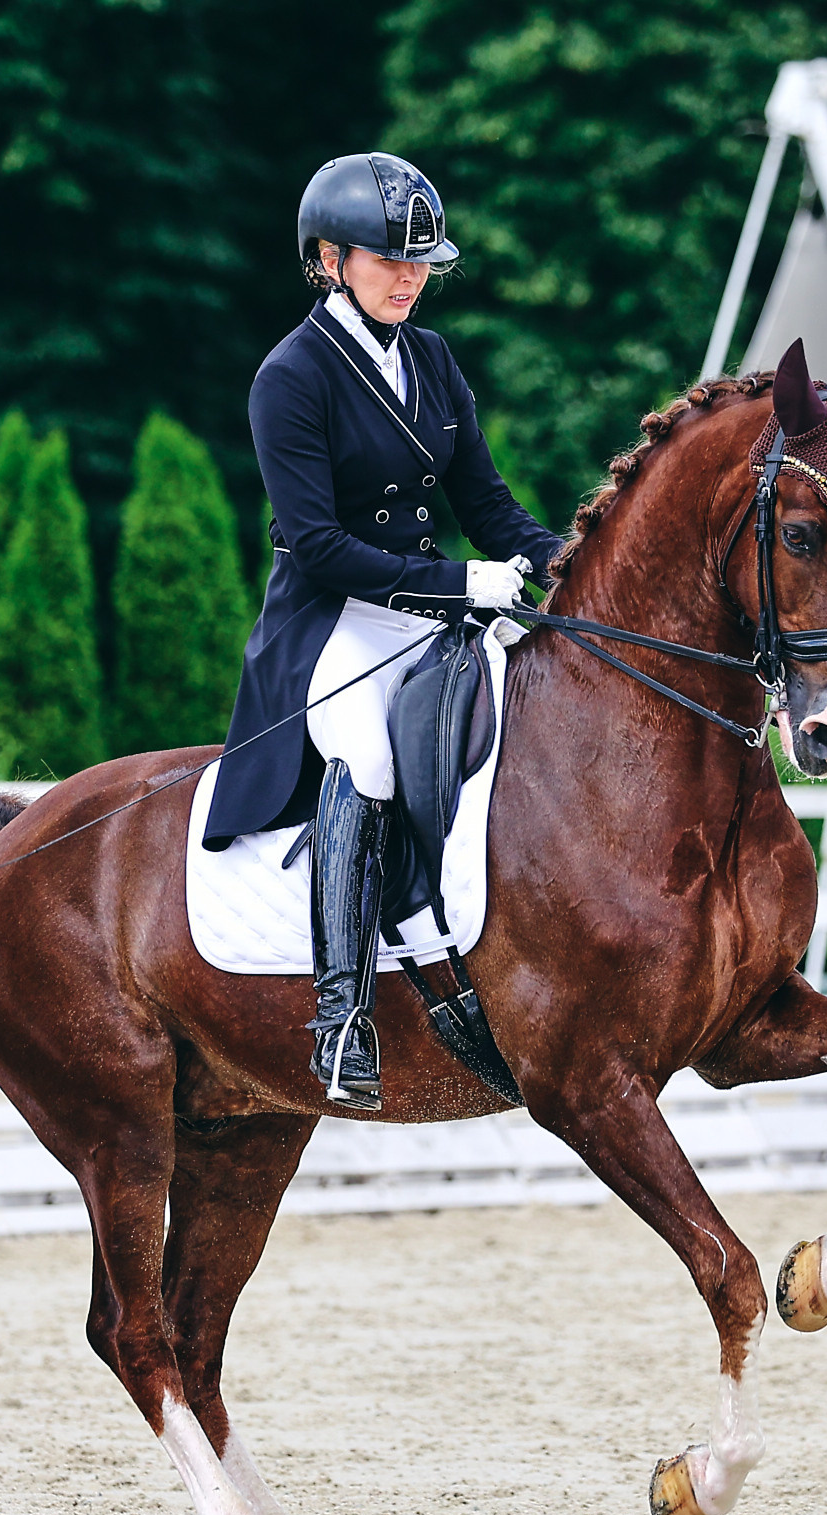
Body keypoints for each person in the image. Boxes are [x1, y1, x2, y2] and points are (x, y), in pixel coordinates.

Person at [204, 152, 564, 1111]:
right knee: (367, 754)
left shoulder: (434, 360)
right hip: (333, 621)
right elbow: (317, 547)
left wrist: (580, 565)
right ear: (329, 259)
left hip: (439, 604)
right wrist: (459, 585)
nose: (409, 277)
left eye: (421, 263)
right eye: (385, 260)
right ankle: (342, 1015)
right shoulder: (291, 377)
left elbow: (489, 505)